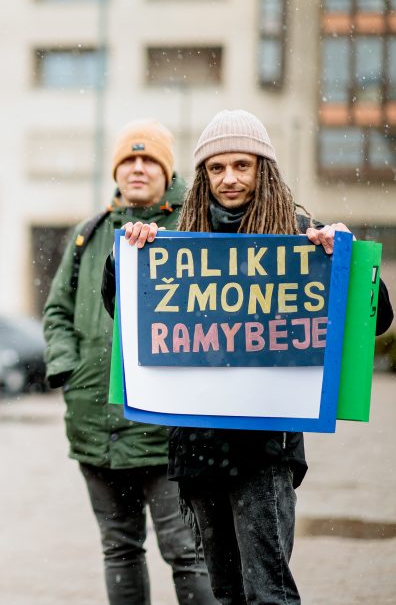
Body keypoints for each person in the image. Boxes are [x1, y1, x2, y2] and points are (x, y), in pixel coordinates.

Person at [108, 109, 394, 604]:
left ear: (264, 168)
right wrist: (128, 260)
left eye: (242, 165)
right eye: (217, 169)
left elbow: (379, 319)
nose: (230, 179)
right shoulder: (176, 238)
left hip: (265, 451)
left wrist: (341, 257)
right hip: (196, 449)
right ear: (202, 176)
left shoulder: (301, 236)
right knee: (225, 593)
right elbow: (128, 320)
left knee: (269, 592)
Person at [43, 120, 216, 605]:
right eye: (128, 160)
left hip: (165, 430)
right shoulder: (89, 233)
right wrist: (68, 367)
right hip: (93, 421)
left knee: (186, 551)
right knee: (119, 549)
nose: (137, 168)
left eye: (149, 160)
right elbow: (57, 309)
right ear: (116, 170)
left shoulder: (194, 225)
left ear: (167, 170)